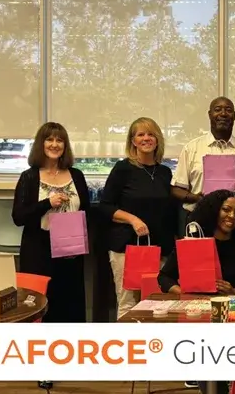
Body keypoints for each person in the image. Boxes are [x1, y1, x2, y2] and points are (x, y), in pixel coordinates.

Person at [99, 117, 178, 318]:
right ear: (133, 141)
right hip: (127, 248)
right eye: (140, 134)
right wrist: (133, 220)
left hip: (160, 249)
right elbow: (105, 207)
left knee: (158, 304)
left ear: (158, 140)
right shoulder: (122, 169)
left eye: (151, 134)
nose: (146, 138)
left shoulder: (165, 172)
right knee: (128, 303)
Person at [11, 121, 90, 323]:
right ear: (41, 144)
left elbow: (86, 211)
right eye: (49, 139)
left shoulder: (76, 175)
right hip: (39, 251)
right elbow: (18, 217)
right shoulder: (29, 177)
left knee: (71, 307)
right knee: (42, 307)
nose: (55, 144)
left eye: (59, 140)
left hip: (70, 252)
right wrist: (47, 203)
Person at [158, 190, 235, 295]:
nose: (232, 216)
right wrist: (183, 293)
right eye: (226, 210)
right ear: (213, 211)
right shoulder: (194, 243)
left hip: (234, 304)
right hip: (198, 304)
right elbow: (164, 277)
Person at [171, 97, 235, 227]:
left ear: (234, 116)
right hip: (198, 219)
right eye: (218, 109)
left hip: (233, 223)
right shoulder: (191, 148)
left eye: (228, 110)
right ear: (210, 114)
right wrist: (197, 198)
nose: (223, 113)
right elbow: (176, 189)